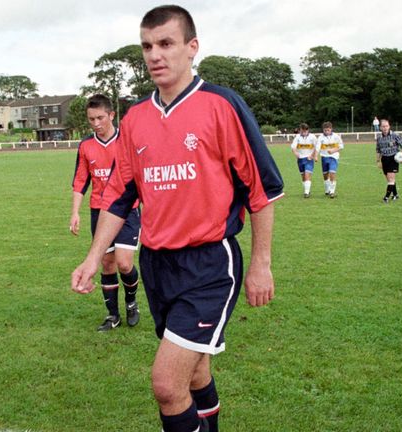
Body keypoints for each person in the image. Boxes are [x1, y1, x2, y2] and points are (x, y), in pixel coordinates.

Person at [71, 5, 284, 432]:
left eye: (166, 44)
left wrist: (261, 265)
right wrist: (94, 257)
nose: (155, 55)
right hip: (157, 263)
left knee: (167, 384)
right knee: (196, 372)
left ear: (192, 48)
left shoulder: (222, 105)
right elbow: (118, 196)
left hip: (208, 264)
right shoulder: (135, 118)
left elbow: (262, 191)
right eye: (147, 46)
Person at [70, 94, 142, 331]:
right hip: (98, 211)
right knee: (107, 264)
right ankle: (113, 316)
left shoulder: (128, 140)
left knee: (123, 263)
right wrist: (75, 213)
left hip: (127, 210)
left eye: (100, 117)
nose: (96, 123)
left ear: (112, 115)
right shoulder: (86, 146)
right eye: (91, 119)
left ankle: (131, 301)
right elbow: (81, 180)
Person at [375, 119, 402, 203]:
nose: (385, 128)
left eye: (386, 126)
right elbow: (378, 150)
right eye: (383, 126)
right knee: (389, 180)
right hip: (384, 159)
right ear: (380, 127)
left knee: (391, 179)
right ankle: (395, 195)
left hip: (393, 159)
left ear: (389, 126)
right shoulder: (379, 138)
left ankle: (386, 197)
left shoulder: (395, 135)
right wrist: (378, 161)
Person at [316, 121, 344, 198]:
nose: (326, 132)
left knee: (332, 173)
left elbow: (341, 146)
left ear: (331, 129)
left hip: (334, 157)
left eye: (328, 130)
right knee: (325, 175)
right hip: (324, 157)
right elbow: (317, 147)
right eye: (325, 130)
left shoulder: (336, 136)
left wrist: (333, 150)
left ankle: (332, 191)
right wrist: (316, 155)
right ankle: (327, 189)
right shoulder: (320, 137)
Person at [290, 122, 318, 198]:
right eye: (302, 131)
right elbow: (293, 147)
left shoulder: (312, 137)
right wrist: (295, 153)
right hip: (300, 159)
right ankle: (306, 189)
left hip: (309, 159)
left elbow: (317, 147)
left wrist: (313, 156)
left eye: (305, 131)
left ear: (308, 130)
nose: (303, 133)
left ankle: (306, 193)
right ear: (300, 131)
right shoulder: (297, 137)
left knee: (307, 174)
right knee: (303, 176)